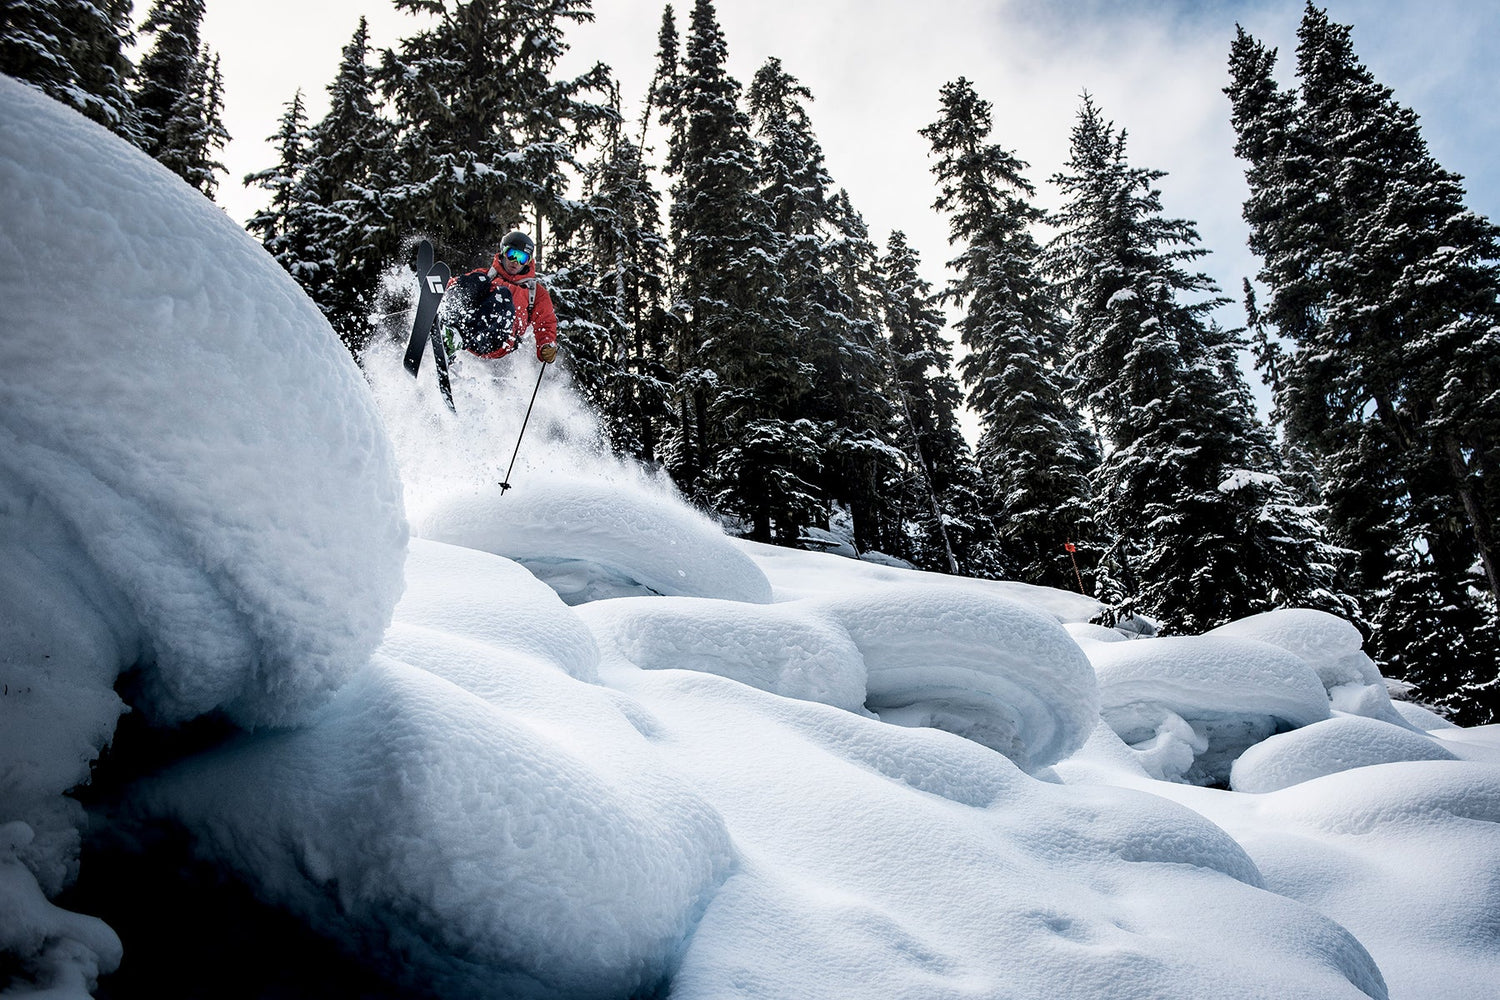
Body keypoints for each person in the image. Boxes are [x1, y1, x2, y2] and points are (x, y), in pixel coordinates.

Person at [441, 229, 559, 365]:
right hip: (467, 324)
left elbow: (546, 322)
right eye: (511, 254)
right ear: (503, 252)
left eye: (522, 258)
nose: (515, 261)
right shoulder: (487, 275)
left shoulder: (535, 292)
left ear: (528, 262)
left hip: (497, 339)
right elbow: (457, 285)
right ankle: (445, 323)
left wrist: (546, 345)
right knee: (477, 279)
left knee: (503, 296)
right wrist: (438, 289)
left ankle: (456, 338)